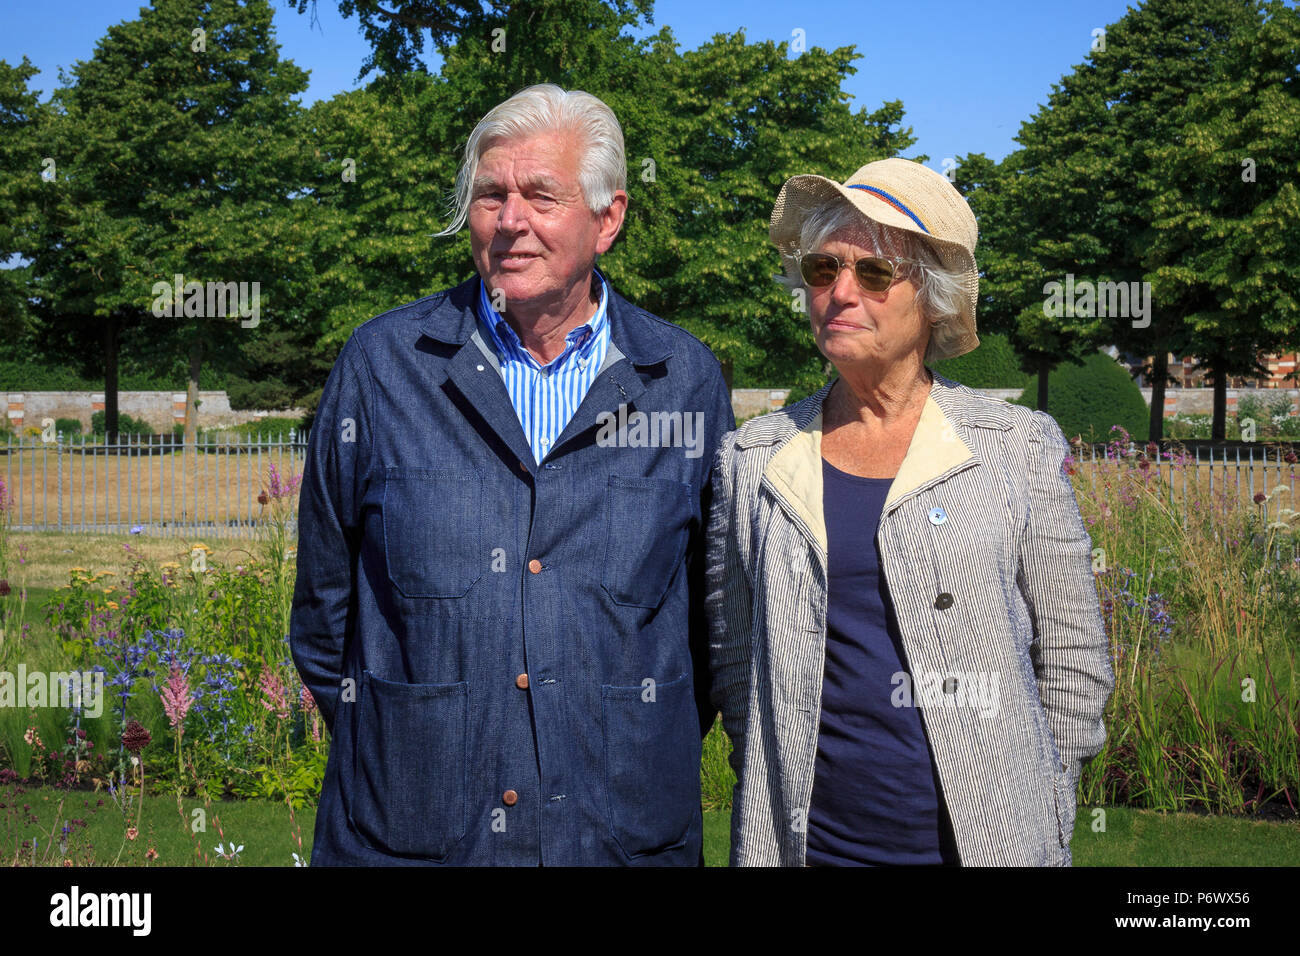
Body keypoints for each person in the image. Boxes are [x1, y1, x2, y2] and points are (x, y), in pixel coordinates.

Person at [290, 84, 734, 866]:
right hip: (413, 836)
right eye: (491, 194)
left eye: (541, 195)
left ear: (609, 219)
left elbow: (709, 622)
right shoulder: (383, 367)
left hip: (618, 836)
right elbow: (324, 620)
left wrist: (624, 733)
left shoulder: (681, 380)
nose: (511, 220)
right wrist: (412, 741)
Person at [705, 157, 1114, 866]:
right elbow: (737, 663)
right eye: (822, 269)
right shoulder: (753, 459)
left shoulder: (1013, 446)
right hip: (813, 848)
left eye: (872, 273)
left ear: (934, 296)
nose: (839, 291)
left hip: (983, 846)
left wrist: (1047, 804)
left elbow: (1074, 656)